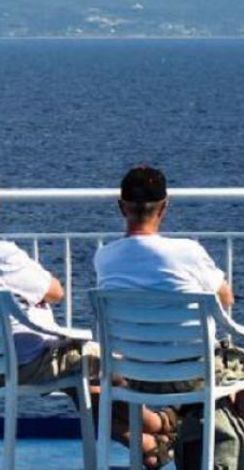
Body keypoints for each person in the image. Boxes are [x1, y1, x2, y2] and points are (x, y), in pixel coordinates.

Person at [0, 178, 176, 469]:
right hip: (20, 365)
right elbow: (55, 291)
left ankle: (148, 447)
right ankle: (159, 423)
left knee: (84, 384)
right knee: (107, 362)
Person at [95, 165, 242, 467]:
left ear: (122, 207)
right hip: (194, 374)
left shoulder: (104, 258)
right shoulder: (188, 252)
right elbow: (226, 298)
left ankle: (164, 436)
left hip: (135, 375)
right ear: (164, 207)